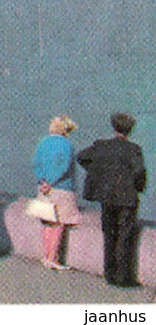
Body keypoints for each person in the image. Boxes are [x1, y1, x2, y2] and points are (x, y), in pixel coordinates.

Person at [77, 112, 146, 288]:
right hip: (126, 198)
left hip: (106, 197)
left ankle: (109, 274)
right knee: (124, 236)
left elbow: (82, 157)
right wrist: (137, 186)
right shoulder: (133, 149)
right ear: (130, 130)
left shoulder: (101, 146)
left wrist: (98, 172)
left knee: (109, 234)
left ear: (114, 128)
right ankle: (123, 277)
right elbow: (139, 172)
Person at [31, 115, 81, 271]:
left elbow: (37, 164)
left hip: (43, 188)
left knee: (47, 223)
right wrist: (52, 182)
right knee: (58, 223)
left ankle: (46, 256)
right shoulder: (67, 145)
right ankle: (53, 258)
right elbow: (64, 167)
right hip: (62, 188)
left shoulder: (43, 143)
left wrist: (44, 182)